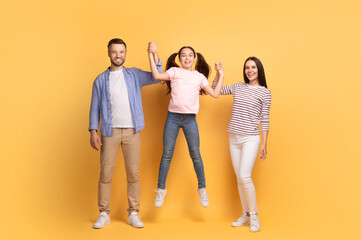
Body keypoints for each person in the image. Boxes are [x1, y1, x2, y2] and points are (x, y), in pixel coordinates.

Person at [89, 39, 162, 229]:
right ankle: (104, 213)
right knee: (105, 173)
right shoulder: (99, 80)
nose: (118, 55)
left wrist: (154, 55)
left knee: (133, 173)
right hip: (109, 132)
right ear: (108, 54)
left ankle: (133, 213)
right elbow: (94, 107)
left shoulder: (134, 75)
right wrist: (92, 130)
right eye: (114, 52)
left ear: (126, 53)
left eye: (121, 52)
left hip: (132, 131)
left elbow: (157, 77)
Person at [147, 42, 224, 208]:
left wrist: (220, 74)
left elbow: (215, 93)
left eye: (190, 55)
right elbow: (157, 76)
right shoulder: (174, 71)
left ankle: (202, 189)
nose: (187, 58)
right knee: (167, 154)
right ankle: (161, 189)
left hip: (190, 119)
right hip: (173, 118)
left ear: (194, 58)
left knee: (195, 154)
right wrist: (152, 55)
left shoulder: (199, 76)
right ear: (179, 58)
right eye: (183, 55)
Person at [212, 56, 271, 232]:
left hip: (250, 138)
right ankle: (245, 214)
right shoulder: (238, 86)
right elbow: (215, 89)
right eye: (247, 68)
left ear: (259, 69)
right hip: (234, 137)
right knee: (239, 177)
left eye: (253, 67)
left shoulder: (264, 92)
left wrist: (264, 144)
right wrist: (218, 73)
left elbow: (265, 119)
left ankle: (254, 215)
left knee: (245, 176)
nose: (250, 70)